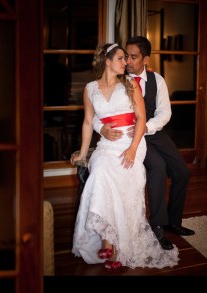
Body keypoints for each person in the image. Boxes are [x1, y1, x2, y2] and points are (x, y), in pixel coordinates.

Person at [69, 43, 179, 271]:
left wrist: (132, 149)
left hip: (132, 143)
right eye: (121, 58)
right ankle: (110, 245)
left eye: (126, 59)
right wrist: (82, 151)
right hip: (107, 146)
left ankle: (113, 246)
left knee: (123, 180)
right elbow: (89, 122)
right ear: (107, 62)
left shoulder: (130, 84)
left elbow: (140, 118)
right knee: (99, 174)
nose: (125, 62)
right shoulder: (90, 89)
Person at [96, 37, 193, 242]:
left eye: (133, 57)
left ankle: (173, 221)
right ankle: (157, 223)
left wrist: (147, 127)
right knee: (157, 167)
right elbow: (99, 111)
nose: (127, 61)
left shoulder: (157, 80)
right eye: (126, 56)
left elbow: (165, 113)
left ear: (146, 59)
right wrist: (101, 127)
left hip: (154, 132)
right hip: (131, 137)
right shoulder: (119, 79)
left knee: (182, 172)